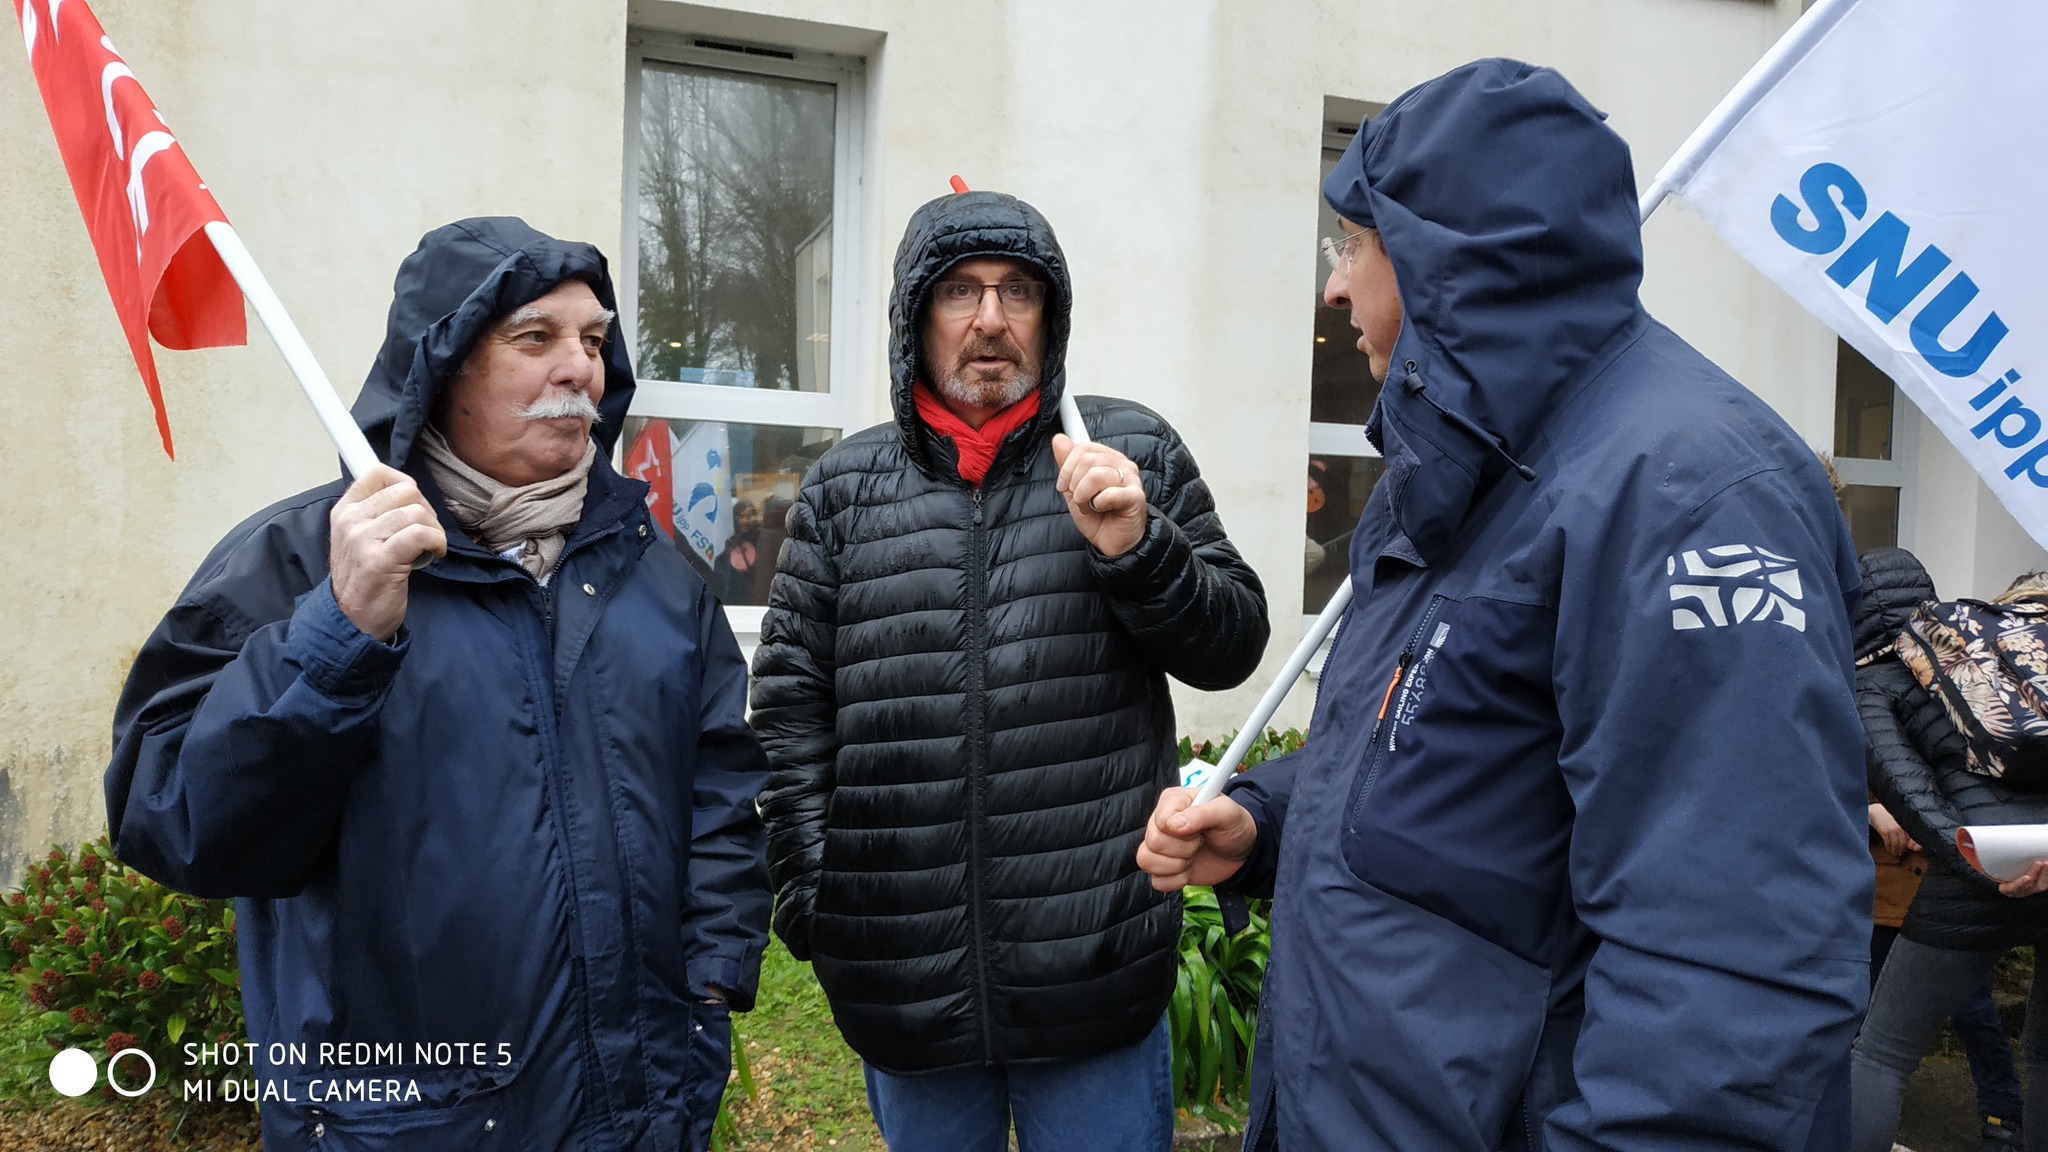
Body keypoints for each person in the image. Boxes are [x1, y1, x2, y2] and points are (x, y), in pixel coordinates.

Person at [1137, 59, 1868, 1150]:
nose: (1334, 289)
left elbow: (1730, 971)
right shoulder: (1470, 465)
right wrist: (1266, 822)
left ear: (1443, 261)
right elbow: (1455, 753)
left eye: (1351, 245)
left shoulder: (1681, 493)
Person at [104, 217, 770, 1152]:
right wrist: (338, 634)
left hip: (646, 1107)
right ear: (444, 367)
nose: (579, 368)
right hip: (407, 1122)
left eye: (593, 340)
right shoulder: (295, 563)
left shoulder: (651, 572)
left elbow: (720, 789)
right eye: (535, 338)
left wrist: (712, 978)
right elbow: (174, 820)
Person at [750, 188, 1271, 1152]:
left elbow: (1232, 646)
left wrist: (1139, 548)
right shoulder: (843, 491)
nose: (990, 320)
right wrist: (820, 901)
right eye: (960, 291)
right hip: (903, 973)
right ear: (915, 317)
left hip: (1096, 967)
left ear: (1050, 315)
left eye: (1017, 291)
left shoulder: (1129, 453)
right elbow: (791, 713)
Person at [1854, 551, 2048, 1152]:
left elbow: (1910, 795)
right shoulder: (1986, 653)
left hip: (1986, 868)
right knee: (2044, 1052)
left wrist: (1982, 866)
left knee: (1882, 1053)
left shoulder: (1875, 682)